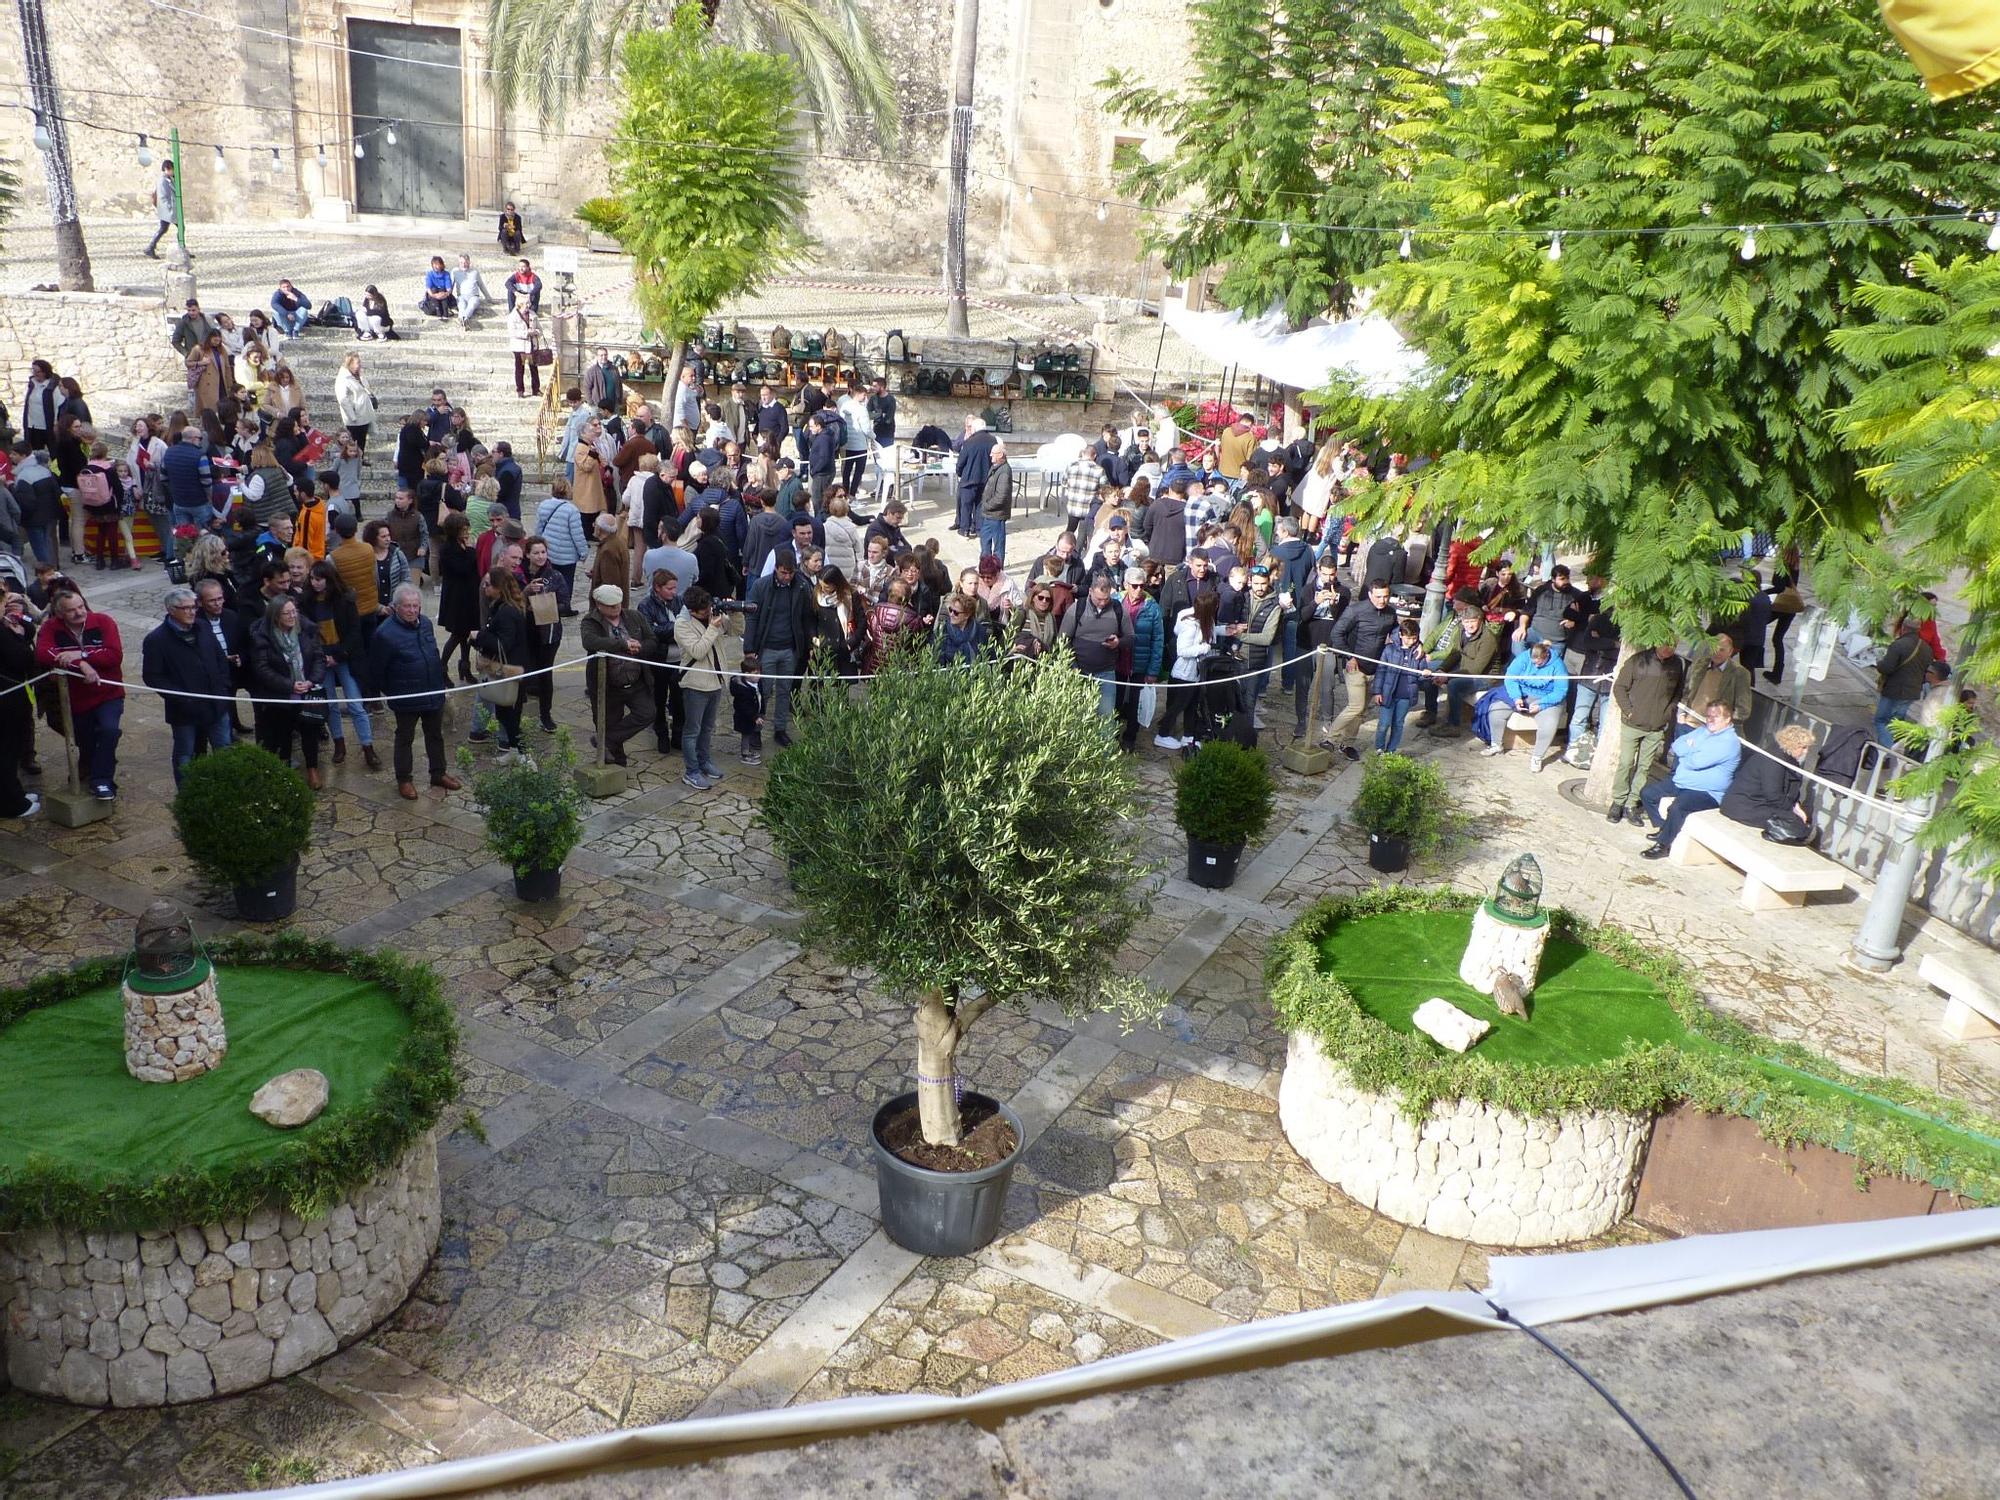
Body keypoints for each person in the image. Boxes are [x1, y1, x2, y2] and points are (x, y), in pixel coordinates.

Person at [368, 584, 460, 799]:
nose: (412, 610)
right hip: (406, 696)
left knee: (435, 735)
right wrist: (394, 691)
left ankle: (438, 773)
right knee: (405, 738)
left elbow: (433, 654)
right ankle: (404, 780)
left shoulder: (426, 624)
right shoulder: (384, 634)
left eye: (415, 606)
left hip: (432, 692)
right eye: (407, 606)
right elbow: (377, 670)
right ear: (396, 607)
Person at [35, 588, 124, 800]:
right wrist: (82, 664)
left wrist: (81, 654)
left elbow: (113, 656)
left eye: (81, 606)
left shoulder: (103, 622)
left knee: (109, 730)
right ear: (59, 614)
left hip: (108, 693)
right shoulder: (51, 627)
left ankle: (101, 781)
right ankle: (93, 769)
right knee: (86, 740)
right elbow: (44, 653)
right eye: (71, 610)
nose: (79, 613)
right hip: (76, 698)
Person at [141, 585, 235, 785]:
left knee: (224, 748)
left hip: (216, 703)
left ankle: (227, 789)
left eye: (193, 606)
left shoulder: (203, 627)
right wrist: (182, 697)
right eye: (185, 608)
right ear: (171, 610)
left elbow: (219, 658)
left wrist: (223, 686)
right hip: (185, 710)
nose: (192, 611)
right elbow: (153, 677)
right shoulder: (156, 640)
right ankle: (187, 794)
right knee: (186, 753)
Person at [1638, 699, 1742, 858]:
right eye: (1708, 716)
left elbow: (1696, 762)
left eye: (1716, 717)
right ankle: (1663, 827)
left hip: (1707, 792)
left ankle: (1663, 846)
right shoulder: (1703, 731)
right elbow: (1677, 745)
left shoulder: (1729, 742)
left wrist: (1690, 748)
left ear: (1727, 719)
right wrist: (1691, 750)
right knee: (1647, 793)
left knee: (1677, 808)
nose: (1711, 720)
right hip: (1682, 781)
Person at [246, 593, 326, 789]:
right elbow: (263, 669)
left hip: (307, 692)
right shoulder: (262, 637)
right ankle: (283, 769)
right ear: (276, 616)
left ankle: (312, 769)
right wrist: (289, 685)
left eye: (294, 612)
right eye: (286, 613)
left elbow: (318, 657)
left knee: (309, 731)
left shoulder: (306, 630)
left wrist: (311, 680)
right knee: (282, 734)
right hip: (280, 696)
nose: (292, 616)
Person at [303, 561, 377, 770]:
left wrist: (339, 655)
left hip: (344, 657)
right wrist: (321, 657)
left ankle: (368, 746)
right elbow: (308, 634)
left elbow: (354, 632)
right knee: (331, 705)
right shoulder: (307, 602)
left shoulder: (344, 599)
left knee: (355, 703)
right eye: (313, 579)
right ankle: (339, 744)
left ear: (328, 579)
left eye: (319, 579)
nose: (315, 583)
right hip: (321, 660)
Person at [1605, 642, 1687, 824]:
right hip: (1632, 724)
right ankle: (1618, 801)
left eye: (1673, 646)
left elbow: (1677, 693)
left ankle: (1631, 804)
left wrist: (1667, 714)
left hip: (1656, 727)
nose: (1669, 649)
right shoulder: (1638, 660)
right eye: (1666, 645)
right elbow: (1620, 687)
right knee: (1626, 763)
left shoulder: (1677, 664)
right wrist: (1629, 711)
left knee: (1644, 767)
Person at [578, 583, 656, 766]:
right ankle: (617, 763)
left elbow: (652, 640)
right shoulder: (591, 621)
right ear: (599, 605)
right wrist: (622, 644)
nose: (616, 608)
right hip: (608, 685)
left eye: (618, 604)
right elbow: (590, 642)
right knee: (609, 721)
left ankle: (606, 740)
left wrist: (640, 647)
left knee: (647, 713)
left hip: (636, 680)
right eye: (611, 606)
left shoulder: (635, 617)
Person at [1325, 578, 1397, 759]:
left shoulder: (1390, 613)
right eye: (1379, 596)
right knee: (1355, 706)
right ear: (1371, 595)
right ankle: (1330, 739)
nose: (1383, 600)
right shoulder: (1356, 610)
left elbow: (1396, 631)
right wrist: (1349, 656)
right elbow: (1337, 633)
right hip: (1355, 666)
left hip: (1375, 668)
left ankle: (1347, 743)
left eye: (1386, 596)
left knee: (1361, 711)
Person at [675, 586, 735, 788]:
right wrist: (712, 628)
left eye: (709, 607)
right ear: (692, 611)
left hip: (716, 682)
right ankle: (691, 771)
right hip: (696, 685)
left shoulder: (713, 615)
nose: (709, 612)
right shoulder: (682, 625)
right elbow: (698, 651)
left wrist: (734, 613)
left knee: (708, 728)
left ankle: (704, 761)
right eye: (704, 610)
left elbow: (736, 630)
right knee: (693, 730)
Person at [1481, 638, 1569, 770]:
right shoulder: (1523, 658)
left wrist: (1542, 704)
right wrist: (1516, 697)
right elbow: (1510, 677)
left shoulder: (1558, 666)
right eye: (1533, 663)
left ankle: (1537, 757)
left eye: (1539, 664)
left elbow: (1560, 691)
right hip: (1522, 693)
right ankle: (1496, 745)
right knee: (1496, 709)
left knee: (1550, 723)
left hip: (1546, 698)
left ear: (1546, 656)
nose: (1536, 666)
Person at [1721, 723, 1815, 832]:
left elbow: (1789, 791)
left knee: (1796, 821)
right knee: (1793, 822)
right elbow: (1773, 795)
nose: (1806, 751)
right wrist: (1791, 811)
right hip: (1744, 806)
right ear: (1792, 744)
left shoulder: (1787, 760)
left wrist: (1796, 806)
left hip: (1757, 804)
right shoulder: (1773, 761)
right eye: (1803, 747)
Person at [521, 536, 570, 732]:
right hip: (524, 630)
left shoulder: (555, 576)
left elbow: (566, 605)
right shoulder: (520, 573)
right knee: (522, 670)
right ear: (527, 555)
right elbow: (510, 599)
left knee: (545, 673)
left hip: (548, 633)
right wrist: (526, 591)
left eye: (543, 552)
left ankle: (545, 714)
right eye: (536, 553)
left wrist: (544, 606)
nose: (540, 556)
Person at [0, 594, 41, 819]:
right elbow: (23, 658)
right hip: (6, 700)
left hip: (11, 695)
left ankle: (15, 793)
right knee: (7, 751)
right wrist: (18, 638)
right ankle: (12, 803)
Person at [1062, 572, 1125, 717]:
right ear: (1090, 592)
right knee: (1075, 717)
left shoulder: (1118, 609)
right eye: (1099, 599)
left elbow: (1131, 637)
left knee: (1106, 718)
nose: (1102, 603)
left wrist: (1118, 642)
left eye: (1106, 599)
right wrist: (1072, 666)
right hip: (1078, 672)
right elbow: (1063, 640)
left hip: (1106, 673)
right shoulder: (1077, 608)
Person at [1873, 613, 1935, 748]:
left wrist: (1878, 662)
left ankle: (1888, 752)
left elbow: (1887, 668)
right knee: (1896, 723)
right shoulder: (1927, 649)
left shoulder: (1899, 645)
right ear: (1918, 630)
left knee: (1881, 720)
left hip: (1894, 690)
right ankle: (1886, 751)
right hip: (1912, 692)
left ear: (1903, 628)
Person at [1373, 616, 1428, 753]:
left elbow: (1420, 676)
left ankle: (1391, 750)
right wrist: (1377, 691)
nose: (1411, 641)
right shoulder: (1389, 650)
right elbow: (1381, 671)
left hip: (1406, 695)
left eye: (1414, 638)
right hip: (1388, 693)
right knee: (1384, 724)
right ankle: (1379, 748)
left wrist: (1425, 674)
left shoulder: (1418, 653)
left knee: (1398, 724)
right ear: (1400, 635)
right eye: (1408, 638)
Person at [1682, 632, 1754, 726]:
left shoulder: (1740, 674)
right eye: (1714, 648)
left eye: (1722, 650)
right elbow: (1686, 692)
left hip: (1713, 730)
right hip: (1688, 724)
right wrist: (1682, 713)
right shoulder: (1699, 665)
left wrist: (1722, 723)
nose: (1717, 653)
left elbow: (1743, 710)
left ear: (1730, 651)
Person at [978, 443, 1014, 563]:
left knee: (998, 546)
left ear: (1001, 455)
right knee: (985, 541)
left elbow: (1001, 497)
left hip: (996, 515)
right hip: (989, 514)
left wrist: (986, 506)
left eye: (993, 453)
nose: (990, 455)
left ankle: (997, 570)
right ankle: (985, 567)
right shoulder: (996, 467)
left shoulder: (1004, 472)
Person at [335, 353, 376, 450]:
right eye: (358, 362)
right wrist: (353, 416)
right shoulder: (343, 379)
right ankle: (354, 461)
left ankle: (360, 458)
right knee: (354, 440)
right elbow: (343, 399)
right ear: (350, 364)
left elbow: (365, 388)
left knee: (362, 440)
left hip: (363, 413)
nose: (360, 364)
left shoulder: (357, 375)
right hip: (355, 416)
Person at [509, 302, 542, 399]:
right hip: (520, 347)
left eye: (529, 304)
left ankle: (536, 389)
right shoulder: (513, 316)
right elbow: (512, 332)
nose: (528, 306)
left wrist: (536, 332)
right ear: (520, 305)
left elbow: (540, 328)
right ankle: (520, 390)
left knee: (534, 368)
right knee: (520, 369)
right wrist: (526, 333)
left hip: (531, 345)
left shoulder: (532, 314)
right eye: (526, 304)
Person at [145, 161, 177, 258]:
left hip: (168, 209)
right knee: (166, 228)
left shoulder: (167, 179)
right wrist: (170, 208)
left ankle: (150, 247)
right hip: (167, 209)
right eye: (172, 169)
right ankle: (150, 248)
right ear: (167, 169)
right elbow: (164, 197)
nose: (173, 172)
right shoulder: (163, 181)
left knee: (164, 228)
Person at [451, 254, 489, 328]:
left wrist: (488, 297)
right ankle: (463, 319)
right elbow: (451, 286)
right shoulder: (455, 272)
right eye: (461, 263)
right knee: (461, 306)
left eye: (465, 262)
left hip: (473, 296)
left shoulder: (475, 272)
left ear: (469, 262)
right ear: (459, 263)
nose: (463, 265)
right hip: (461, 296)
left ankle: (464, 318)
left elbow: (481, 285)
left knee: (471, 305)